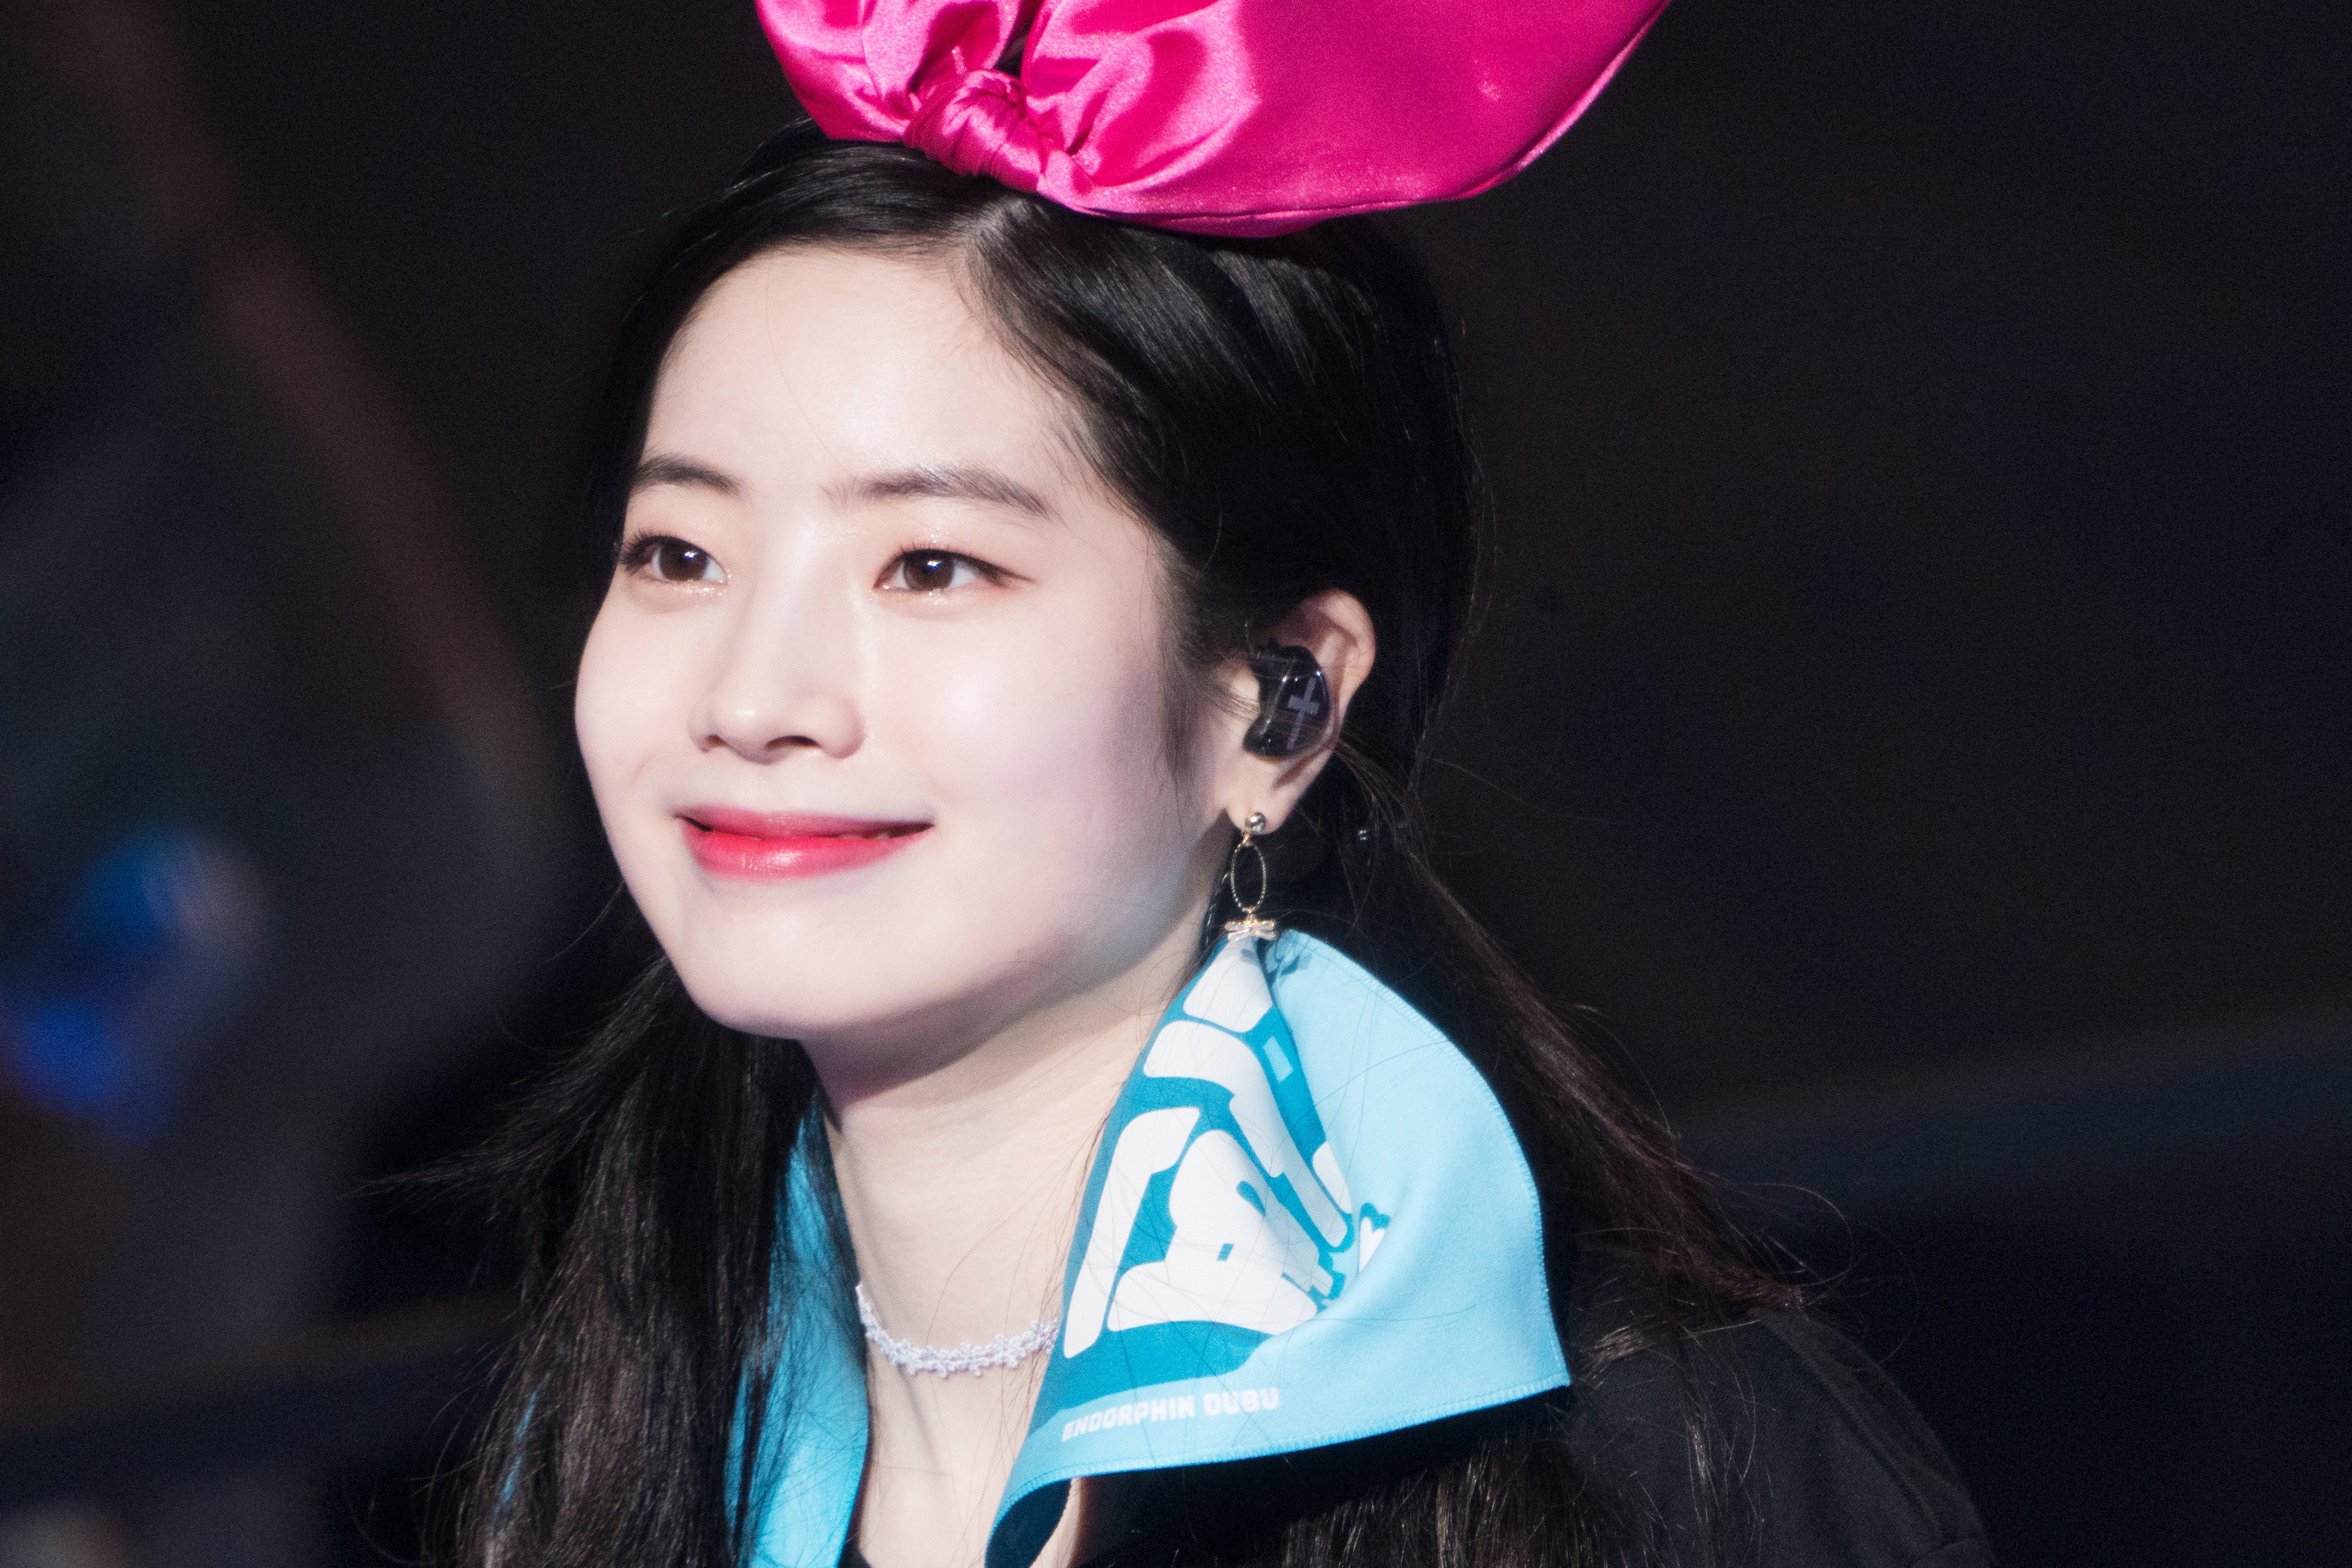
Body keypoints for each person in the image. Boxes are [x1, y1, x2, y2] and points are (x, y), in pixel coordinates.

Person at [454, 4, 1995, 1566]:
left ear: (1275, 703)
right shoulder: (625, 1423)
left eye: (930, 566)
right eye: (679, 555)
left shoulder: (1656, 1470)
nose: (751, 700)